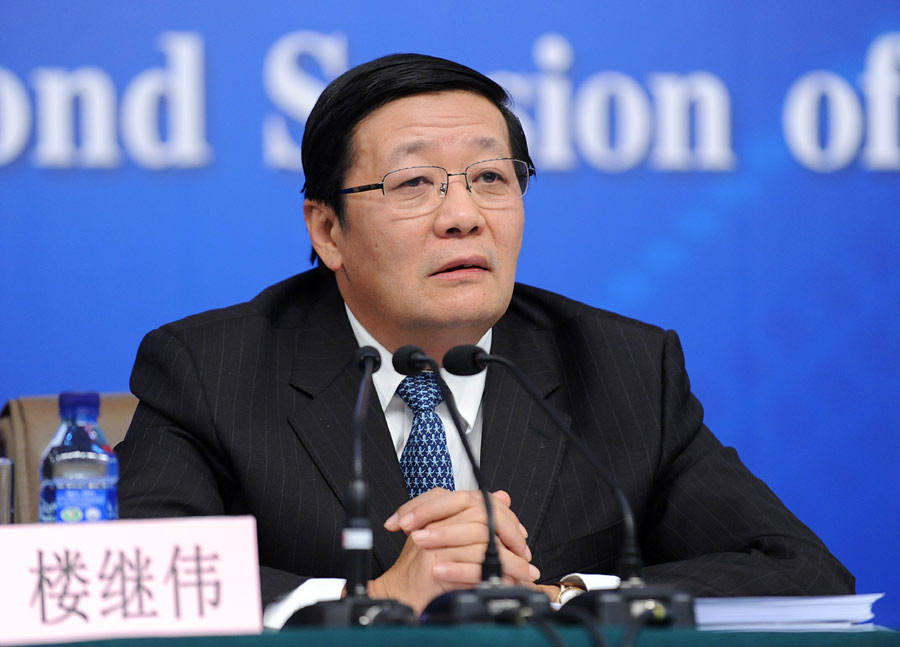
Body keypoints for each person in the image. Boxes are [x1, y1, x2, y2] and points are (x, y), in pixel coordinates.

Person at [116, 53, 854, 624]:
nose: (464, 215)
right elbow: (132, 578)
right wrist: (372, 598)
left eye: (491, 178)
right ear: (328, 229)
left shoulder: (623, 367)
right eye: (414, 184)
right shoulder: (212, 369)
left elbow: (800, 570)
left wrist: (563, 597)